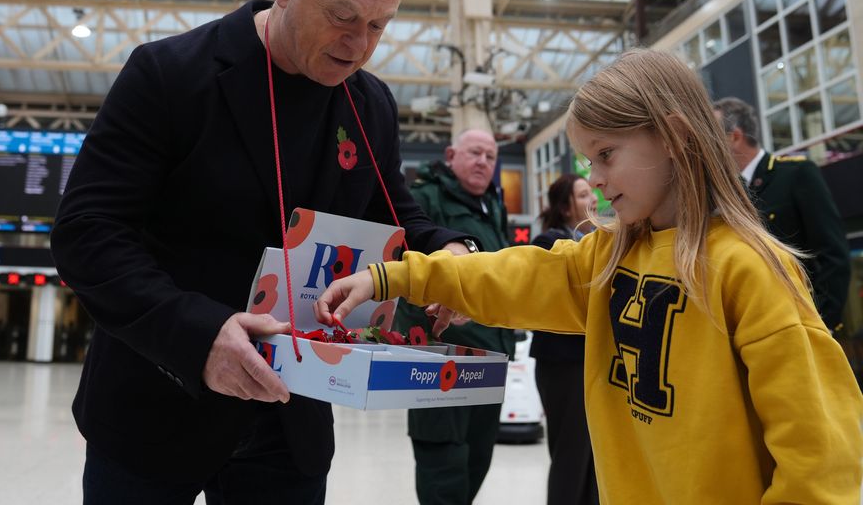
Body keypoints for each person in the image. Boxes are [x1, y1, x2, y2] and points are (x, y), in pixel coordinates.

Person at [50, 0, 471, 505]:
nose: (359, 46)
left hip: (289, 421)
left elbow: (397, 216)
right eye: (342, 17)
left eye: (379, 25)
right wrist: (199, 336)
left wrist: (455, 254)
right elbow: (87, 233)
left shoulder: (370, 104)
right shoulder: (169, 75)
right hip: (156, 402)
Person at [317, 49, 863, 504]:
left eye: (605, 154)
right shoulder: (607, 258)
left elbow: (820, 455)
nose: (595, 180)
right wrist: (392, 278)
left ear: (674, 137)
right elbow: (513, 273)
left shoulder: (750, 269)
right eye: (587, 164)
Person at [394, 128, 515, 505]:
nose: (483, 162)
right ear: (450, 155)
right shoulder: (425, 199)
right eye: (475, 152)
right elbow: (403, 262)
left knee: (477, 459)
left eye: (491, 156)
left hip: (490, 360)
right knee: (442, 463)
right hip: (441, 358)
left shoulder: (493, 205)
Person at [712, 96, 850, 333]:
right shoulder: (725, 195)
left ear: (735, 137)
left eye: (712, 137)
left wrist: (819, 326)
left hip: (801, 327)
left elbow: (833, 256)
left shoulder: (795, 174)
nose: (707, 146)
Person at [530, 173, 599, 505]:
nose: (594, 199)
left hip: (593, 362)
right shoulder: (548, 243)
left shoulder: (600, 240)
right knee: (571, 456)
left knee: (596, 460)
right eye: (584, 194)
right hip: (563, 364)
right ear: (565, 206)